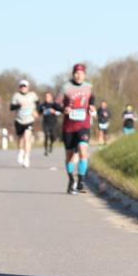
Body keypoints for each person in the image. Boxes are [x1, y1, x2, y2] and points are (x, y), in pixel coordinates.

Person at [59, 64, 96, 194]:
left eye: (81, 73)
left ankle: (80, 181)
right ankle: (71, 180)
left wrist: (92, 106)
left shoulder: (88, 87)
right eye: (76, 73)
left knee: (83, 151)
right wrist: (64, 109)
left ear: (84, 75)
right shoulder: (66, 87)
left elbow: (92, 98)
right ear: (73, 74)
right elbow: (57, 103)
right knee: (69, 158)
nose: (78, 75)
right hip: (69, 127)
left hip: (83, 125)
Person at [10, 79, 39, 168]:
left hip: (29, 120)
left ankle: (26, 157)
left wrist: (36, 111)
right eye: (21, 86)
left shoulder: (32, 95)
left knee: (27, 138)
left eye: (25, 86)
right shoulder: (16, 96)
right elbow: (11, 107)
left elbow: (39, 104)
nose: (23, 88)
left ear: (28, 87)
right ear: (19, 87)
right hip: (19, 120)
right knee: (20, 139)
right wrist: (19, 105)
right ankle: (20, 152)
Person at [38, 91, 62, 156]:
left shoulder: (54, 105)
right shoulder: (42, 105)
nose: (47, 98)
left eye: (48, 96)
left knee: (53, 137)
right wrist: (41, 113)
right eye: (46, 96)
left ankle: (51, 144)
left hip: (53, 123)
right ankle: (46, 150)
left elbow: (61, 112)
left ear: (51, 97)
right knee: (46, 135)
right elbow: (38, 113)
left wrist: (54, 112)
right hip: (45, 123)